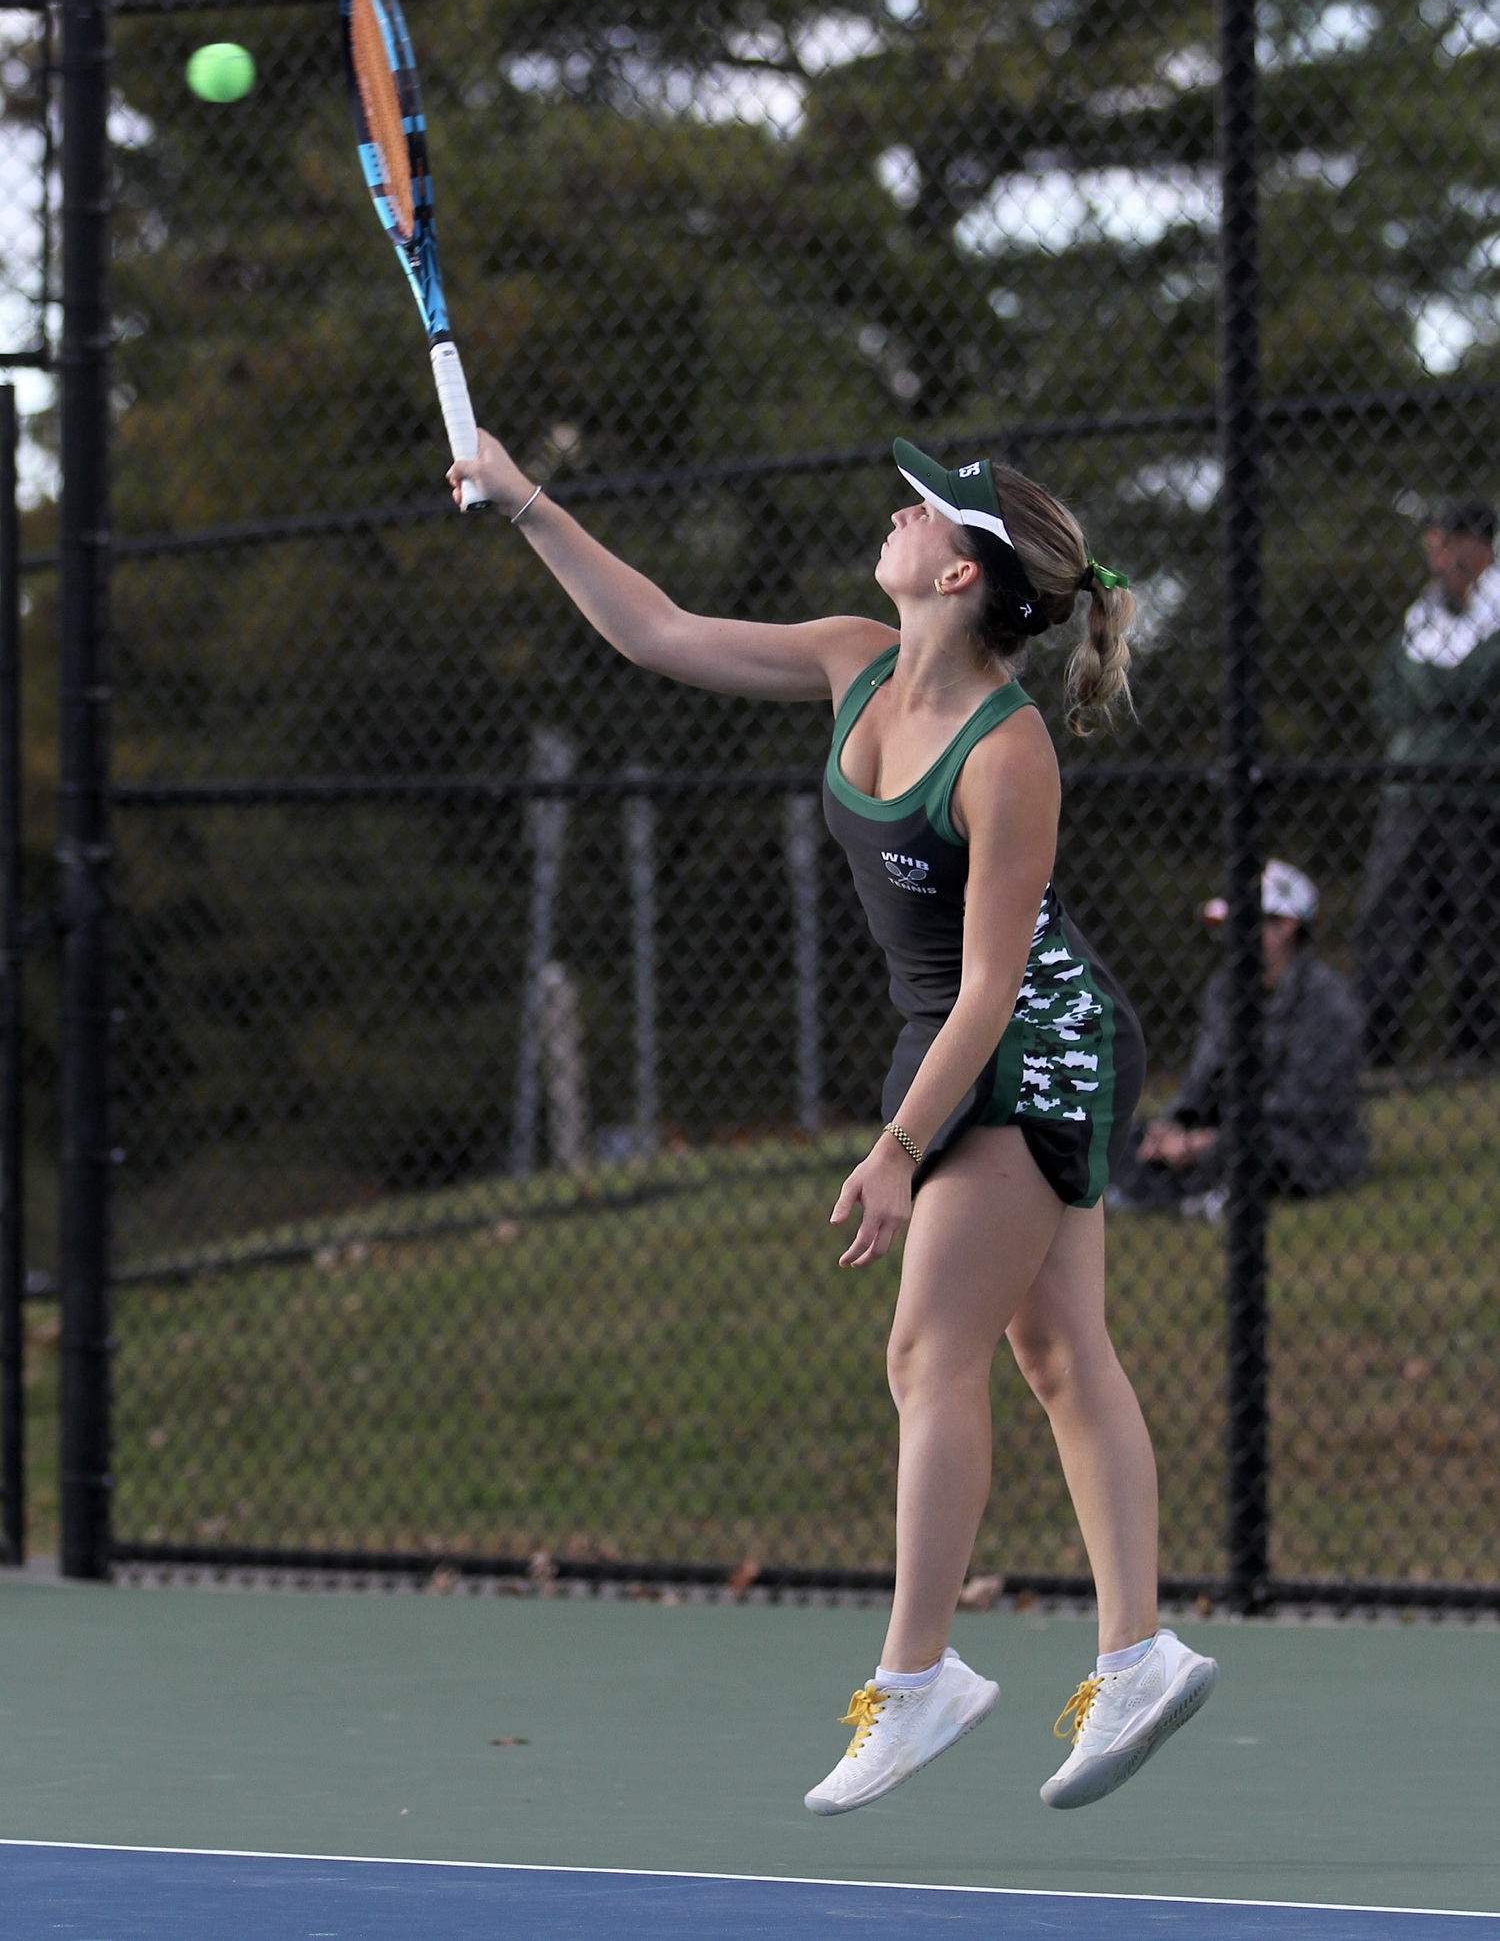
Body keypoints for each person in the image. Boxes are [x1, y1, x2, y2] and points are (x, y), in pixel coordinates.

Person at [449, 428, 1216, 1818]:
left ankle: (917, 1682)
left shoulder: (1010, 749)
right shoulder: (851, 652)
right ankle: (1139, 1652)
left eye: (923, 515)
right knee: (1055, 1352)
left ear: (964, 574)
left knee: (933, 1347)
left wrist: (897, 1150)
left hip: (1034, 1037)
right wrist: (528, 504)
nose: (897, 517)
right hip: (957, 1034)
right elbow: (660, 632)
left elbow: (993, 989)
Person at [1111, 860, 1366, 1218]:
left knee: (1242, 1150)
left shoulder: (1328, 1003)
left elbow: (1304, 1107)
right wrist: (1173, 1128)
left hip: (1299, 1144)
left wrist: (1207, 1140)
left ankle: (1169, 1195)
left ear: (1286, 926)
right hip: (1223, 1130)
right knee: (1123, 1138)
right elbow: (1203, 1082)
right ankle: (1188, 1197)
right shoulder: (1225, 990)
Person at [1356, 498, 1500, 1068]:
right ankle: (1370, 1056)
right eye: (1432, 545)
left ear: (1478, 545)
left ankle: (1478, 1056)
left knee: (1479, 928)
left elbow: (1469, 689)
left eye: (1447, 544)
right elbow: (1390, 693)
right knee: (1388, 923)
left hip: (1478, 799)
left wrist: (1437, 700)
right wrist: (1447, 701)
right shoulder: (1422, 617)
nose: (1436, 558)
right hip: (1409, 797)